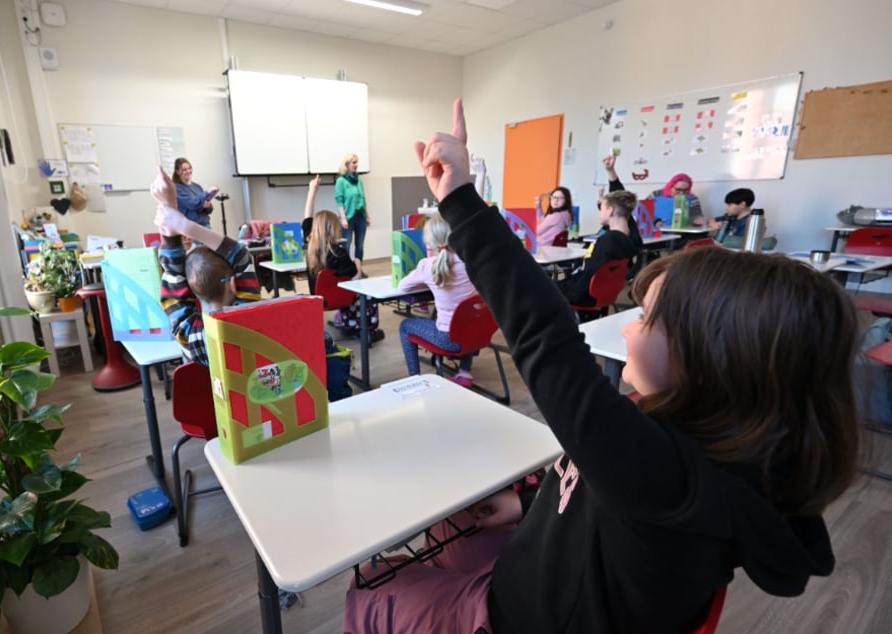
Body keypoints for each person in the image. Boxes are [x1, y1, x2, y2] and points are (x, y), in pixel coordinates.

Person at [342, 98, 862, 633]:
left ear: (714, 364)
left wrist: (458, 200)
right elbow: (595, 494)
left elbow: (544, 336)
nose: (628, 327)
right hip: (547, 572)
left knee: (372, 584)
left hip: (514, 616)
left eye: (649, 320)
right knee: (447, 526)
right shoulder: (689, 450)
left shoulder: (663, 475)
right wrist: (525, 503)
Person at [151, 166, 261, 365]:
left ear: (191, 290)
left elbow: (172, 275)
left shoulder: (188, 334)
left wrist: (169, 209)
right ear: (233, 285)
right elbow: (242, 256)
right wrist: (186, 225)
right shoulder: (248, 321)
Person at [397, 214, 479, 387]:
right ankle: (465, 372)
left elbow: (402, 287)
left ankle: (415, 378)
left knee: (405, 326)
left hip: (447, 339)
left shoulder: (428, 266)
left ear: (430, 241)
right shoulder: (471, 260)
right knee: (466, 318)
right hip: (476, 334)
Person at [304, 175, 383, 342]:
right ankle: (366, 329)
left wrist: (312, 191)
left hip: (318, 298)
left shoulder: (309, 246)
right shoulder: (338, 253)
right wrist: (358, 262)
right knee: (366, 288)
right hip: (339, 298)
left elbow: (307, 217)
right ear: (334, 228)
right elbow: (356, 276)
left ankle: (347, 321)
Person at [556, 189, 640, 309]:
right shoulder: (629, 241)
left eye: (601, 209)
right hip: (604, 292)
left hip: (583, 295)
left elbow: (587, 278)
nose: (599, 213)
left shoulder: (607, 241)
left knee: (536, 286)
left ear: (610, 211)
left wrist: (564, 288)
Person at [602, 153, 705, 226]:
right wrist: (656, 221)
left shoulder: (692, 198)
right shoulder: (656, 194)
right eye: (678, 190)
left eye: (685, 190)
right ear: (671, 186)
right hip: (657, 230)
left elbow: (696, 216)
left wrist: (697, 220)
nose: (681, 193)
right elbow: (643, 212)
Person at [335, 153, 368, 261]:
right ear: (347, 164)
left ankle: (358, 270)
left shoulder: (359, 181)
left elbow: (363, 199)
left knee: (360, 246)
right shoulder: (341, 181)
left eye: (357, 162)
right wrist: (343, 218)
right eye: (354, 162)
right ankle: (347, 271)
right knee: (346, 245)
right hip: (348, 218)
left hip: (360, 217)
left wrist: (367, 216)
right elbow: (339, 201)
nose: (356, 165)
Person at [172, 158, 219, 229]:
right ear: (177, 171)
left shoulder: (197, 187)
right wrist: (207, 193)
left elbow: (210, 209)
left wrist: (207, 206)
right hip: (191, 229)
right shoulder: (176, 188)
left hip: (206, 225)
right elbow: (192, 203)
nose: (188, 171)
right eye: (184, 170)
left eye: (189, 168)